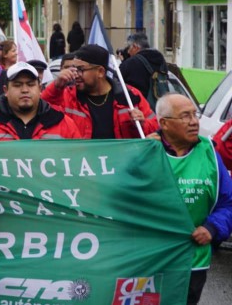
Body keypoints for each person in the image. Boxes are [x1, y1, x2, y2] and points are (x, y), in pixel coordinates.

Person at [154, 93, 232, 305]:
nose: (194, 122)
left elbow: (228, 202)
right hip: (150, 258)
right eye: (185, 116)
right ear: (165, 123)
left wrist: (212, 228)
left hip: (193, 259)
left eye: (194, 115)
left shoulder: (209, 152)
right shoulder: (146, 152)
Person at [42, 44, 158, 139]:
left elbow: (156, 129)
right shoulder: (68, 96)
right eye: (74, 69)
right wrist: (56, 87)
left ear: (100, 72)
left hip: (122, 166)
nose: (75, 74)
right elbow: (40, 113)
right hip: (82, 164)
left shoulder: (129, 96)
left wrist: (142, 124)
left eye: (81, 69)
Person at [0, 62, 82, 141]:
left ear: (40, 88)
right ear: (6, 90)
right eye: (17, 85)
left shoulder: (64, 124)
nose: (25, 90)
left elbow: (78, 162)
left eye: (31, 84)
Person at [119, 32, 168, 105]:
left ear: (135, 47)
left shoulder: (131, 63)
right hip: (160, 106)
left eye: (129, 48)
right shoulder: (161, 60)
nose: (128, 52)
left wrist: (124, 62)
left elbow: (118, 81)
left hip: (140, 108)